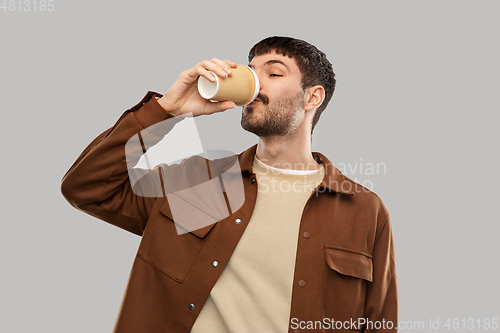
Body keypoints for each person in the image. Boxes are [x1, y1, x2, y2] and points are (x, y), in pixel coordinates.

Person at [61, 36, 398, 332]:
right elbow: (87, 188)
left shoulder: (365, 210)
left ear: (313, 98)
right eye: (251, 70)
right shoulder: (195, 182)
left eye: (274, 73)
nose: (254, 83)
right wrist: (166, 110)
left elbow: (381, 323)